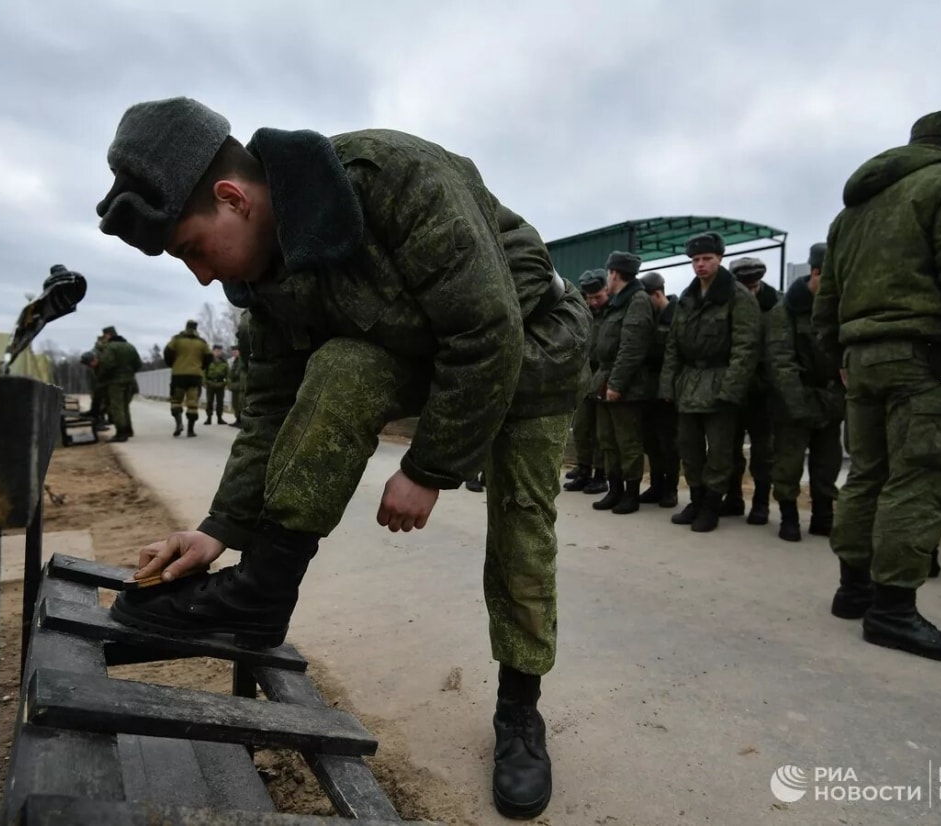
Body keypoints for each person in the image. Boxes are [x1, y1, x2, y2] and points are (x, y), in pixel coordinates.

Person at [93, 97, 591, 819]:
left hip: (533, 343)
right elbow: (269, 408)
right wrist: (220, 527)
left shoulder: (390, 178)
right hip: (427, 348)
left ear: (233, 198)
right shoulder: (263, 279)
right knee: (343, 368)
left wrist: (427, 468)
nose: (201, 276)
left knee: (520, 527)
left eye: (194, 248)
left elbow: (486, 333)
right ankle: (262, 591)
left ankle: (519, 708)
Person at [812, 110, 941, 665]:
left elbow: (826, 297)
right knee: (922, 478)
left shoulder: (852, 210)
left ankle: (853, 590)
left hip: (863, 359)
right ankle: (893, 611)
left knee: (867, 474)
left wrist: (838, 358)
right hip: (928, 359)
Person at [660, 232, 760, 533]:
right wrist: (668, 386)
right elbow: (673, 346)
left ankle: (712, 504)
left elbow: (746, 347)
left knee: (719, 450)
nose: (700, 265)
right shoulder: (688, 298)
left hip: (720, 380)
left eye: (707, 259)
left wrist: (731, 389)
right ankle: (697, 498)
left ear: (719, 259)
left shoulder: (737, 296)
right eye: (695, 260)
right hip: (689, 383)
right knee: (688, 447)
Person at [764, 243, 844, 542]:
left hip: (829, 398)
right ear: (815, 272)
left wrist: (837, 395)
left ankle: (824, 516)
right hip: (793, 401)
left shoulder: (839, 308)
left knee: (828, 462)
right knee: (788, 462)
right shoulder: (784, 311)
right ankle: (789, 516)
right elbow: (780, 361)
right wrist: (799, 404)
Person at [589, 251, 655, 514]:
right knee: (607, 439)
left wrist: (616, 384)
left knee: (627, 442)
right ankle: (614, 489)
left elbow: (632, 347)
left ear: (614, 273)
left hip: (625, 385)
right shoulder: (618, 301)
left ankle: (630, 494)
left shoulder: (637, 300)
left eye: (609, 273)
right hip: (605, 380)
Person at [723, 257, 780, 525]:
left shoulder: (777, 305)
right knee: (730, 450)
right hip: (734, 387)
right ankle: (733, 499)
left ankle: (760, 504)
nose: (750, 292)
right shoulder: (726, 303)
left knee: (762, 453)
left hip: (764, 391)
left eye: (754, 286)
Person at [564, 269, 610, 494]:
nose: (593, 302)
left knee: (601, 432)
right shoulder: (585, 313)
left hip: (603, 375)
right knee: (582, 428)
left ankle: (600, 475)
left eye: (598, 297)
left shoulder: (613, 313)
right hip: (585, 376)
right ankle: (583, 471)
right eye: (590, 298)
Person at [639, 272, 680, 508]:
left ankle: (670, 489)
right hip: (648, 388)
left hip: (667, 389)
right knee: (651, 440)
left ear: (657, 294)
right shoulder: (653, 317)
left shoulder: (675, 314)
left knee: (669, 442)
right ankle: (656, 485)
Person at [165, 319, 213, 437]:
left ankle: (179, 424)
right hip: (195, 376)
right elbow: (209, 357)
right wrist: (201, 367)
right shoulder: (202, 343)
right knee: (192, 404)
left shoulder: (176, 340)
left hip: (178, 375)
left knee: (176, 401)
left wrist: (174, 364)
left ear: (186, 327)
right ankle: (190, 430)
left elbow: (167, 352)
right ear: (196, 329)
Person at [98, 325, 142, 442]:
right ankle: (128, 429)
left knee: (116, 407)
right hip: (129, 380)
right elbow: (138, 363)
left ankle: (121, 433)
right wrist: (130, 373)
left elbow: (107, 364)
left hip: (115, 381)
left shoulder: (110, 347)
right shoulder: (130, 346)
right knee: (125, 406)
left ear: (108, 335)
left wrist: (103, 376)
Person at [229, 312, 251, 428]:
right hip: (237, 385)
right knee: (237, 403)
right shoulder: (237, 360)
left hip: (243, 383)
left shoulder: (243, 357)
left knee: (244, 402)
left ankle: (243, 421)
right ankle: (239, 419)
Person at [204, 344, 232, 425]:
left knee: (220, 402)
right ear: (213, 351)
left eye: (219, 351)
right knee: (209, 401)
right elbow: (203, 372)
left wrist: (227, 383)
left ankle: (219, 418)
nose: (218, 353)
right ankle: (209, 418)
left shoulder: (224, 361)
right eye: (216, 351)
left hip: (220, 384)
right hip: (210, 384)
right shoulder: (208, 361)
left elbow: (228, 374)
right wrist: (204, 382)